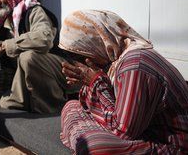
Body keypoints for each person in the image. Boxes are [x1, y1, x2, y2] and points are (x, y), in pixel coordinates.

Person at [58, 9, 188, 154]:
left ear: (95, 44)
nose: (79, 63)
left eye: (80, 57)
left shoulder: (134, 65)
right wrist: (88, 83)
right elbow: (85, 106)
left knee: (94, 147)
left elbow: (125, 131)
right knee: (71, 106)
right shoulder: (114, 60)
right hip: (140, 130)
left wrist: (96, 83)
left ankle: (80, 141)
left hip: (169, 144)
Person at [0, 0, 79, 113]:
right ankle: (24, 100)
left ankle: (53, 106)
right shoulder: (4, 23)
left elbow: (43, 40)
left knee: (28, 57)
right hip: (31, 75)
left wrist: (4, 46)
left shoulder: (33, 11)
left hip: (63, 69)